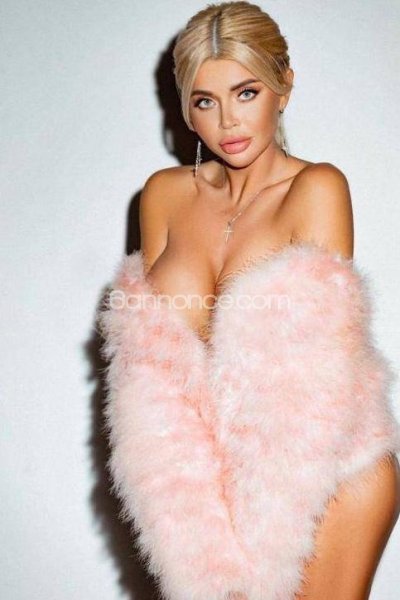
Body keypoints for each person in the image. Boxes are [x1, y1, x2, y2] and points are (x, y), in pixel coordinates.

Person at [99, 2, 400, 599]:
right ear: (186, 108)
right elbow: (148, 371)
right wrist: (185, 511)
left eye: (246, 92)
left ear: (283, 87)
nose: (227, 121)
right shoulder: (162, 196)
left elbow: (318, 382)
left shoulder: (316, 188)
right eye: (205, 101)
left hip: (326, 474)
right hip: (206, 494)